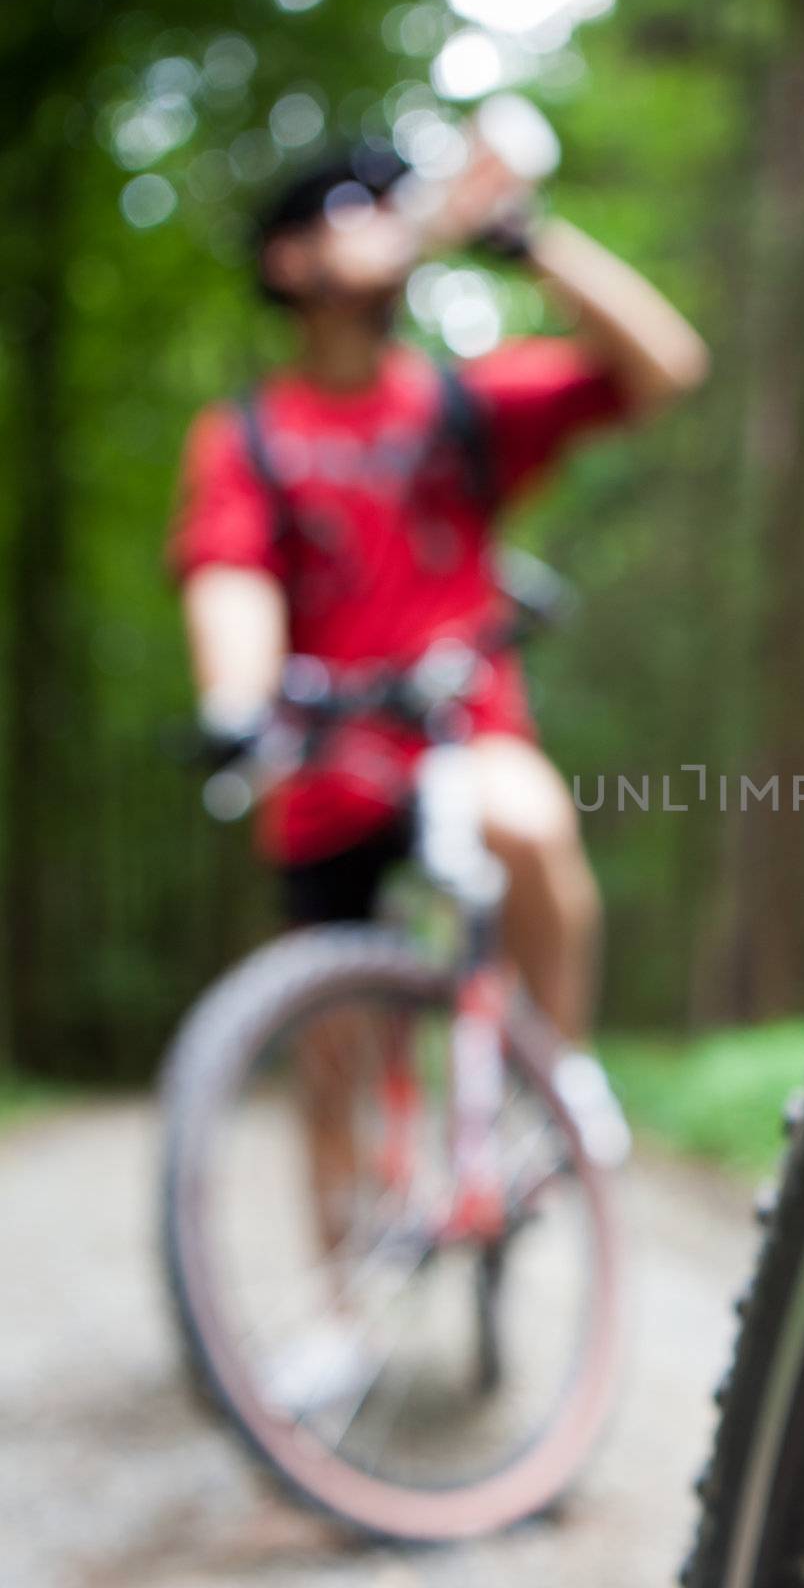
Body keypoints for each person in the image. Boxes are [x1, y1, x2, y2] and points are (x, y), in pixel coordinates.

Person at [171, 131, 707, 1268]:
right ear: (289, 260)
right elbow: (230, 577)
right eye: (347, 208)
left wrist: (523, 236)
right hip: (323, 765)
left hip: (461, 731)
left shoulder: (460, 405)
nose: (379, 222)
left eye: (386, 206)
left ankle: (556, 1078)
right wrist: (237, 702)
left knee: (527, 820)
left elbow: (664, 364)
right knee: (330, 1057)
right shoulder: (250, 435)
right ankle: (336, 1316)